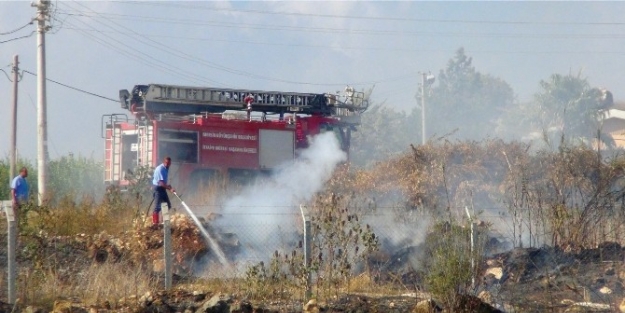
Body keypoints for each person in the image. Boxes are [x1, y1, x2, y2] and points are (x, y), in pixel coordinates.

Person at [152, 157, 175, 226]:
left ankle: (163, 222)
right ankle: (155, 223)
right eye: (167, 163)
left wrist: (168, 186)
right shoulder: (160, 169)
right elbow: (160, 183)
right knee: (157, 207)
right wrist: (170, 189)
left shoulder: (166, 169)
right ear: (164, 162)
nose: (168, 165)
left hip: (162, 188)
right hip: (158, 189)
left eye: (169, 164)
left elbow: (163, 183)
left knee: (167, 205)